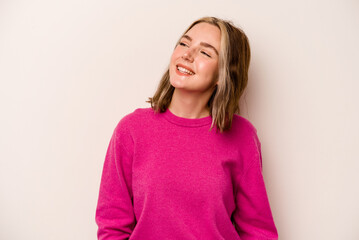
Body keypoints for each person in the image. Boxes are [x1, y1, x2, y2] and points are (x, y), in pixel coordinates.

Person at [95, 16, 278, 240]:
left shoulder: (242, 136)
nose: (187, 54)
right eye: (184, 43)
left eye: (205, 52)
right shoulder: (131, 130)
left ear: (223, 73)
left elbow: (258, 231)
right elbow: (112, 228)